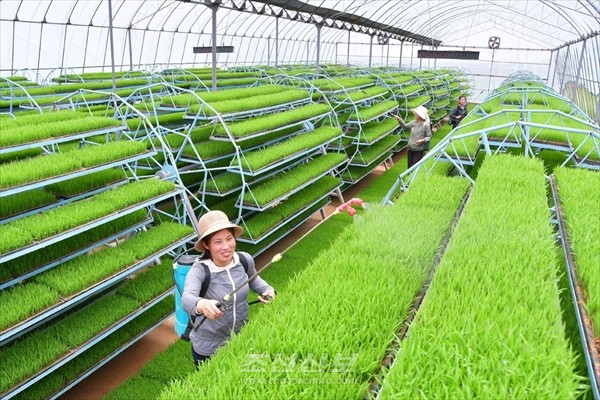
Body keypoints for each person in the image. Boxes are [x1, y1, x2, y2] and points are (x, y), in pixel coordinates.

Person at [182, 210, 276, 369]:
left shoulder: (244, 260)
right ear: (206, 245)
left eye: (229, 239)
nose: (226, 247)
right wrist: (203, 304)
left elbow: (255, 280)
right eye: (218, 242)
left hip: (242, 337)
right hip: (208, 347)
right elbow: (187, 298)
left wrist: (268, 291)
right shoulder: (200, 270)